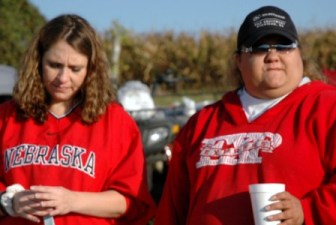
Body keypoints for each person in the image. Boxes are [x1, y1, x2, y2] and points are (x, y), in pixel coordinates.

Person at [154, 5, 336, 225]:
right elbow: (172, 208)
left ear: (300, 54)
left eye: (284, 45)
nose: (273, 56)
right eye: (259, 48)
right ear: (238, 60)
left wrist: (305, 211)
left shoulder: (326, 106)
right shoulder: (202, 122)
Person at [0, 14, 155, 225]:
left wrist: (72, 200)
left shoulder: (115, 122)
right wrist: (9, 202)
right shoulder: (7, 117)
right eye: (54, 65)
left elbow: (131, 201)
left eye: (75, 69)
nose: (63, 78)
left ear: (91, 69)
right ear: (38, 62)